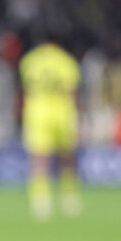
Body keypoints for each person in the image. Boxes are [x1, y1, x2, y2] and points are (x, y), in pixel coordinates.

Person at [19, 36, 81, 219]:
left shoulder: (30, 60)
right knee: (67, 156)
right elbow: (71, 90)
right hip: (62, 112)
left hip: (37, 112)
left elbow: (25, 89)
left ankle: (40, 199)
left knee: (39, 157)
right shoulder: (65, 61)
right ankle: (69, 197)